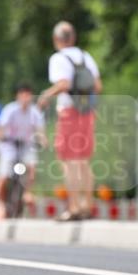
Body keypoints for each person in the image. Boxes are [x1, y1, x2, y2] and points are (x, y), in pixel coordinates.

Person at [38, 21, 102, 221]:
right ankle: (87, 205)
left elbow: (64, 83)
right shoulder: (86, 57)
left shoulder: (58, 58)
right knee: (84, 160)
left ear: (56, 39)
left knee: (68, 161)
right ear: (73, 38)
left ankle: (74, 207)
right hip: (87, 112)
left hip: (68, 112)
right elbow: (98, 86)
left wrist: (46, 95)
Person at [0, 84, 46, 218]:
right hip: (10, 145)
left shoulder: (35, 112)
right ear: (18, 96)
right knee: (3, 177)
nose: (25, 98)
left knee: (32, 167)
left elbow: (39, 130)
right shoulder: (10, 109)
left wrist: (43, 140)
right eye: (23, 94)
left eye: (28, 95)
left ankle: (28, 192)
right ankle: (1, 204)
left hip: (26, 145)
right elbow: (0, 126)